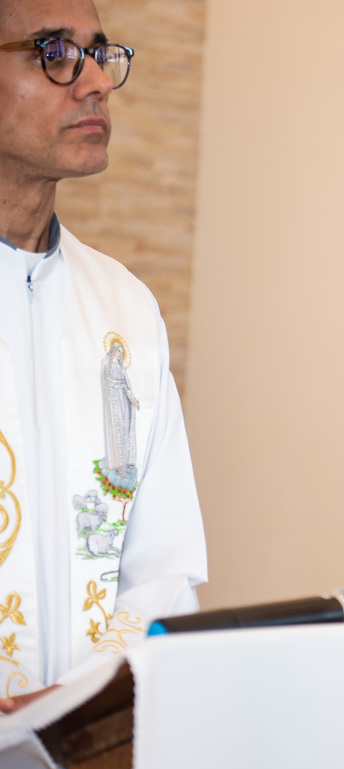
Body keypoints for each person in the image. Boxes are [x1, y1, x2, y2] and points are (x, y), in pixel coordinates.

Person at [0, 0, 207, 712]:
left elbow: (163, 565)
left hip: (84, 753)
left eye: (100, 53)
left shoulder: (124, 308)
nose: (94, 82)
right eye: (55, 52)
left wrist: (82, 701)